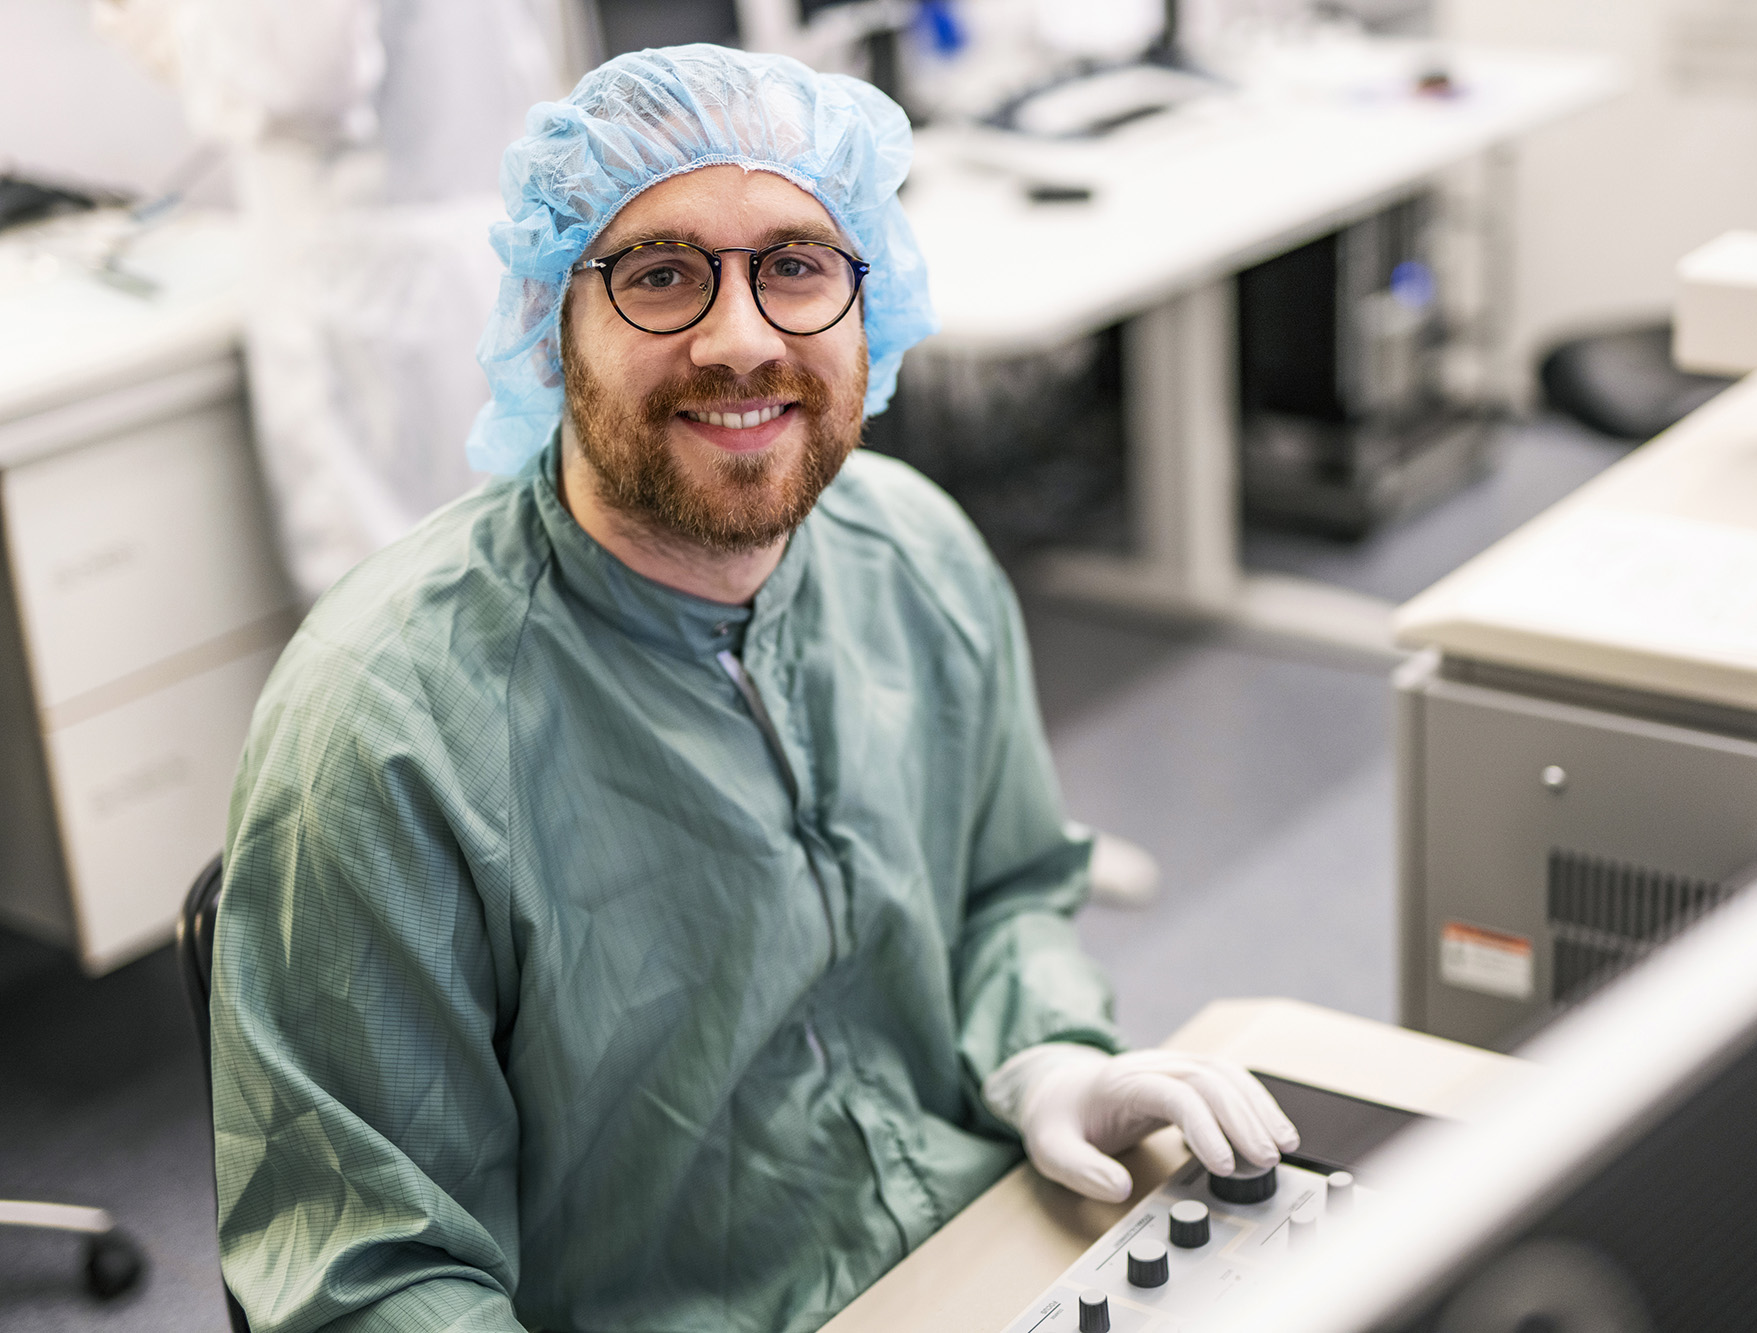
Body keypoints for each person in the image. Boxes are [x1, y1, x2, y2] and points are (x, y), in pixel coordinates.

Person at [208, 44, 1296, 1333]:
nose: (740, 339)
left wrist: (1047, 1051)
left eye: (795, 266)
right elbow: (376, 1275)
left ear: (866, 301)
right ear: (552, 326)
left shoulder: (918, 557)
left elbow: (1008, 892)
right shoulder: (389, 724)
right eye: (662, 275)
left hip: (991, 1248)